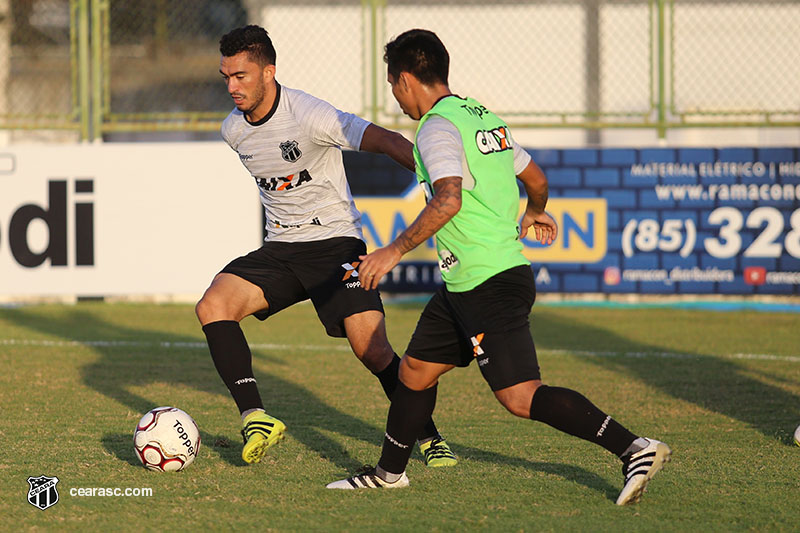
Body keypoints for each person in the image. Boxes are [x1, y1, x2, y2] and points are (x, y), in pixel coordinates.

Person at [326, 29, 671, 505]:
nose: (395, 98)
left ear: (405, 79)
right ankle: (388, 473)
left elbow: (447, 197)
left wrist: (394, 250)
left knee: (520, 395)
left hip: (487, 281)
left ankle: (635, 447)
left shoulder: (436, 127)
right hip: (466, 284)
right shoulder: (482, 116)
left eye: (392, 85)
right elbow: (536, 177)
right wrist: (535, 208)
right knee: (414, 372)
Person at [196, 25, 456, 468]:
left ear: (268, 72)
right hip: (282, 248)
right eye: (226, 77)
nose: (232, 87)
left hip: (336, 243)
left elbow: (387, 141)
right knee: (212, 306)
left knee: (372, 349)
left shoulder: (309, 114)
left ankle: (429, 436)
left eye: (241, 76)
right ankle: (256, 417)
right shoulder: (233, 130)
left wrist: (436, 178)